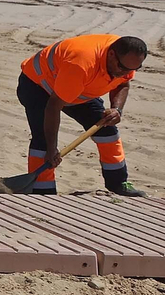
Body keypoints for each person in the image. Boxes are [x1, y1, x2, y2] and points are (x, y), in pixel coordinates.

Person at [17, 34, 148, 196]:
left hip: (79, 89)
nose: (125, 73)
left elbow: (123, 84)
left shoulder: (127, 59)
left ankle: (118, 183)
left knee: (107, 131)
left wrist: (116, 109)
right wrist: (52, 148)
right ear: (112, 54)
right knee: (43, 141)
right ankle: (42, 191)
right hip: (39, 86)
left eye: (133, 69)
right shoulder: (81, 65)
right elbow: (53, 106)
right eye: (122, 68)